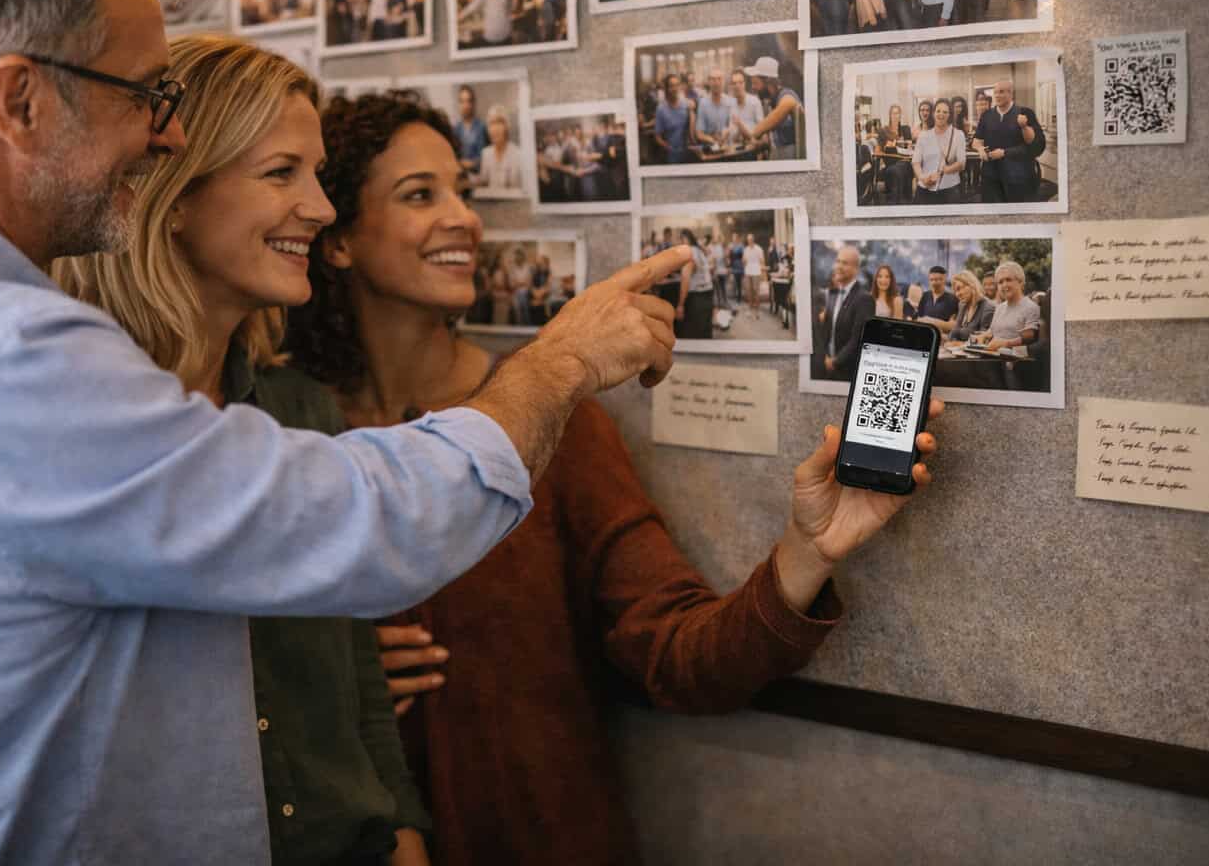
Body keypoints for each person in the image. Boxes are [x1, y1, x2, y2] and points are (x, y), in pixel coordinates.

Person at [0, 0, 692, 865]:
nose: (165, 133)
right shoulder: (7, 353)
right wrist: (566, 358)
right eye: (145, 94)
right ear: (19, 101)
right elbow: (355, 523)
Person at [284, 92, 941, 866]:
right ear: (337, 239)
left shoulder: (551, 424)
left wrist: (808, 551)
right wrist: (334, 680)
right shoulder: (284, 427)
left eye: (462, 190)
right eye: (420, 195)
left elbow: (679, 655)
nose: (463, 217)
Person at [50, 37, 433, 866]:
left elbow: (357, 676)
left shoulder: (301, 411)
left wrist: (402, 836)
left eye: (319, 174)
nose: (323, 208)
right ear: (174, 196)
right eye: (280, 173)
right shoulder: (78, 418)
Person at [974, 80, 1046, 203]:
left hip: (1017, 178)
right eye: (995, 92)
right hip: (992, 177)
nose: (997, 95)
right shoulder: (987, 115)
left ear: (1011, 93)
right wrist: (980, 149)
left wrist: (1024, 127)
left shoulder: (1025, 113)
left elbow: (1034, 145)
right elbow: (976, 140)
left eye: (1001, 92)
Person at [814, 244, 875, 381]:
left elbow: (859, 339)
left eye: (845, 263)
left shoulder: (864, 299)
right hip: (826, 370)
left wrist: (835, 362)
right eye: (838, 261)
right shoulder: (832, 295)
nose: (839, 266)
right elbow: (826, 332)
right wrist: (824, 357)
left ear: (856, 269)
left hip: (848, 373)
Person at [734, 55, 802, 161]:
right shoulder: (771, 103)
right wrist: (759, 145)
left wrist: (754, 133)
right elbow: (774, 141)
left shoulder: (786, 95)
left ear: (769, 81)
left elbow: (789, 103)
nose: (753, 87)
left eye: (755, 83)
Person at [973, 260, 1042, 351]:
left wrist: (1006, 343)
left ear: (1020, 282)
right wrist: (982, 336)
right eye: (1000, 282)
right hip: (993, 357)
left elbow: (1029, 338)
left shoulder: (1031, 307)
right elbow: (993, 331)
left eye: (1008, 280)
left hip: (1015, 362)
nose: (1004, 285)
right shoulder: (1000, 307)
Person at [912, 98, 965, 205]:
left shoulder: (958, 135)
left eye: (945, 112)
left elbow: (961, 163)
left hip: (949, 188)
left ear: (950, 115)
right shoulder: (924, 135)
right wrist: (923, 178)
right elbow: (916, 162)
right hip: (924, 188)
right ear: (933, 113)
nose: (941, 114)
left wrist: (946, 170)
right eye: (938, 111)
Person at [675, 228, 715, 340]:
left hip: (697, 299)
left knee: (693, 335)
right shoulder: (699, 251)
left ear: (685, 239)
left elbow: (685, 279)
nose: (679, 243)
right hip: (708, 294)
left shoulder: (688, 253)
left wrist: (680, 305)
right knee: (705, 334)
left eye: (680, 240)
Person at [478, 104, 522, 197]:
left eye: (499, 123)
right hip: (491, 206)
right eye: (491, 124)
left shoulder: (517, 153)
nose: (494, 129)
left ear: (506, 126)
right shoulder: (486, 153)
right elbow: (483, 183)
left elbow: (515, 190)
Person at [941, 270, 996, 343]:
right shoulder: (962, 305)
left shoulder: (988, 307)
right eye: (955, 291)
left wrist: (958, 344)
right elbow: (954, 332)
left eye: (959, 288)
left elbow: (983, 341)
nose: (957, 294)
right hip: (957, 351)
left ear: (971, 285)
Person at [651, 72, 692, 165]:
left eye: (677, 85)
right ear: (666, 88)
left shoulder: (685, 104)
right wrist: (669, 148)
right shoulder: (661, 109)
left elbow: (691, 129)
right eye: (671, 86)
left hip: (688, 153)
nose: (675, 89)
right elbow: (657, 137)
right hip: (672, 156)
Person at [694, 68, 736, 153]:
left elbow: (733, 126)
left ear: (724, 82)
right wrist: (713, 140)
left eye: (719, 79)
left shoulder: (731, 102)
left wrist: (728, 131)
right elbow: (699, 133)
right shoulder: (703, 103)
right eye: (713, 79)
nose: (716, 83)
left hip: (727, 150)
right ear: (709, 82)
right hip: (710, 150)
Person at [452, 84, 487, 183]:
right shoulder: (455, 129)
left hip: (478, 178)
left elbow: (485, 157)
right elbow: (453, 157)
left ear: (473, 104)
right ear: (459, 104)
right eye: (462, 101)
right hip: (460, 178)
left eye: (468, 101)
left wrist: (471, 164)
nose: (465, 105)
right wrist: (460, 164)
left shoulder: (481, 127)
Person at [742, 232, 766, 316]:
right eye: (748, 240)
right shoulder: (746, 249)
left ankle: (757, 309)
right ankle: (750, 308)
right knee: (749, 291)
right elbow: (744, 260)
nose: (749, 241)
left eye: (751, 239)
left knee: (756, 290)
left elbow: (762, 261)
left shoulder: (758, 249)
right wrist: (744, 263)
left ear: (753, 240)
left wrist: (763, 274)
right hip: (748, 271)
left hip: (756, 271)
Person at [708, 233, 731, 311]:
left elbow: (725, 259)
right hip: (715, 272)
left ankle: (724, 303)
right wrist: (714, 272)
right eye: (714, 238)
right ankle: (718, 305)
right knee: (716, 290)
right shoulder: (710, 247)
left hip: (723, 271)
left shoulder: (720, 247)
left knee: (724, 288)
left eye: (716, 238)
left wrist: (727, 267)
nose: (715, 240)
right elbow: (711, 260)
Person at [728, 231, 746, 306]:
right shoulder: (730, 245)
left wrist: (744, 266)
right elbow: (729, 256)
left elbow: (743, 256)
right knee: (733, 282)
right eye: (733, 237)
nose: (734, 238)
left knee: (739, 282)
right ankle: (735, 296)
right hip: (733, 265)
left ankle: (739, 297)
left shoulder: (741, 246)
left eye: (735, 237)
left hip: (739, 265)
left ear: (737, 238)